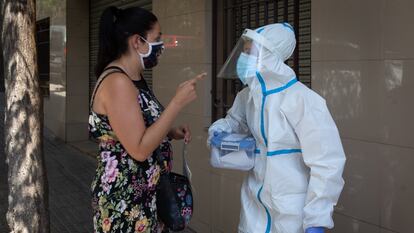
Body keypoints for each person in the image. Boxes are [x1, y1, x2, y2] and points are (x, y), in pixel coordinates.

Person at [208, 23, 346, 233]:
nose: (244, 58)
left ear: (270, 54)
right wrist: (219, 131)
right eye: (243, 52)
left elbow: (327, 163)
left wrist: (317, 218)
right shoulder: (247, 96)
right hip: (254, 205)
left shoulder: (302, 100)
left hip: (292, 211)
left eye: (249, 52)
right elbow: (234, 122)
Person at [88, 6, 205, 233]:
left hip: (147, 196)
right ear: (137, 42)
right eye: (157, 38)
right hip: (126, 203)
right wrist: (177, 103)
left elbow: (137, 126)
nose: (162, 45)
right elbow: (139, 149)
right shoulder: (118, 82)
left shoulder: (135, 78)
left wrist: (170, 131)